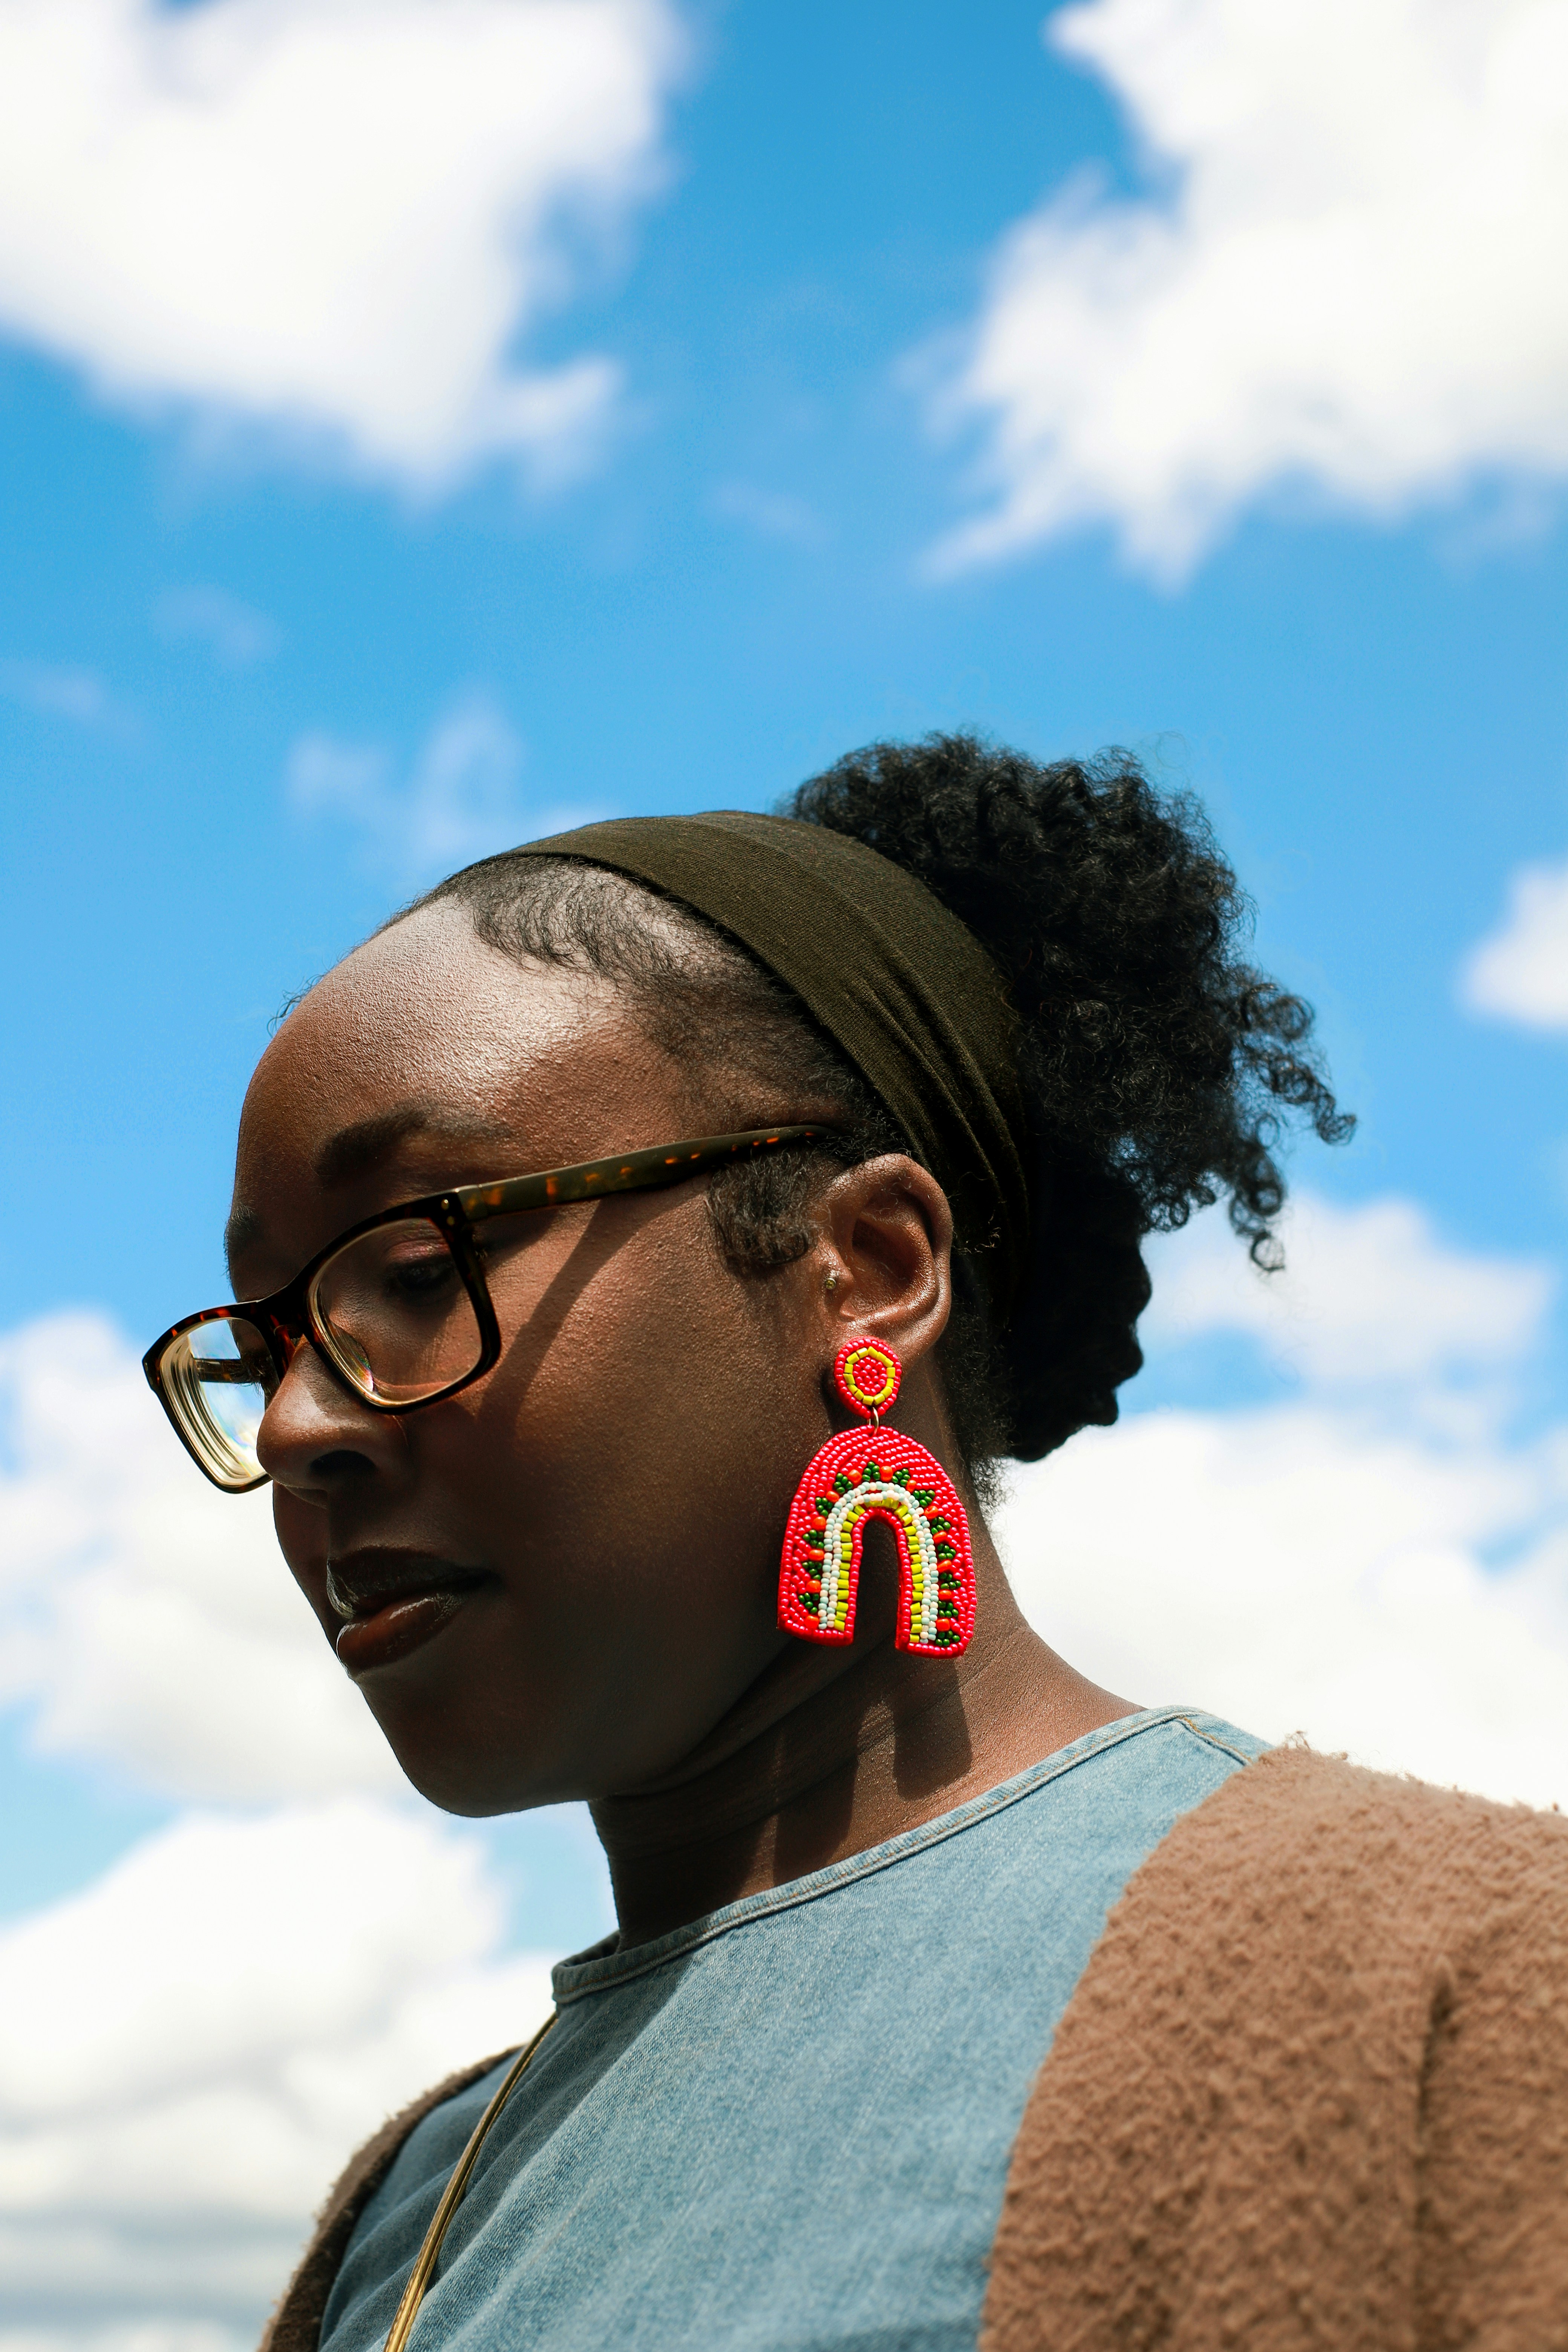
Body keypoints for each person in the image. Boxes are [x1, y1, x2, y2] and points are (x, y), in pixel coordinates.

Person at [143, 733, 1568, 2352]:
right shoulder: (410, 2206)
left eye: (412, 1269)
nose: (293, 1431)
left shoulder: (1462, 1996)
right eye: (265, 1351)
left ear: (867, 1265)